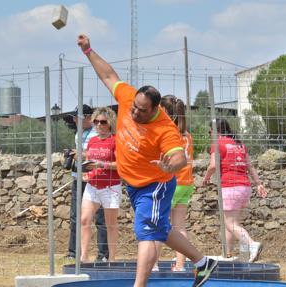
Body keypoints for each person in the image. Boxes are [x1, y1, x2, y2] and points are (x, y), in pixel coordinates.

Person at [77, 34, 217, 287]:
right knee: (161, 230)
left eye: (141, 111)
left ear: (155, 110)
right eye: (134, 108)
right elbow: (108, 76)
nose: (133, 112)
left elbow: (180, 158)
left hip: (154, 186)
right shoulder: (130, 98)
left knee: (147, 234)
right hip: (133, 183)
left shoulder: (164, 128)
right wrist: (88, 51)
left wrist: (169, 166)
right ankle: (202, 262)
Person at [202, 118, 267, 262]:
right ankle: (228, 254)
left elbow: (213, 166)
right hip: (244, 187)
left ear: (215, 131)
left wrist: (206, 178)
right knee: (231, 223)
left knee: (230, 224)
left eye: (209, 131)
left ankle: (252, 244)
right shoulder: (240, 144)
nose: (209, 134)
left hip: (230, 187)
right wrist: (258, 184)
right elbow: (250, 166)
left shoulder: (217, 144)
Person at [66, 104, 109, 261]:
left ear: (88, 118)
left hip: (96, 179)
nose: (74, 119)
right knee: (75, 216)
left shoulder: (97, 133)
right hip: (79, 177)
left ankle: (103, 255)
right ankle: (73, 252)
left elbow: (98, 154)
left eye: (77, 117)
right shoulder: (79, 133)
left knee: (100, 217)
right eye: (74, 117)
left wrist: (80, 155)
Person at [156, 95, 195, 272]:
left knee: (157, 224)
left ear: (165, 111)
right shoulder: (188, 136)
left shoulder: (168, 134)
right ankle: (180, 265)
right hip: (186, 182)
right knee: (179, 226)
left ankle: (153, 264)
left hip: (172, 181)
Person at [80, 107, 121, 262]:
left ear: (110, 123)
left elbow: (120, 165)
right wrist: (87, 171)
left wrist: (101, 165)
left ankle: (112, 258)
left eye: (102, 122)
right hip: (93, 185)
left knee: (110, 224)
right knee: (84, 219)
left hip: (110, 187)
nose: (98, 125)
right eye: (95, 121)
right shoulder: (92, 141)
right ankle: (83, 257)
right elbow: (90, 160)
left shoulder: (116, 140)